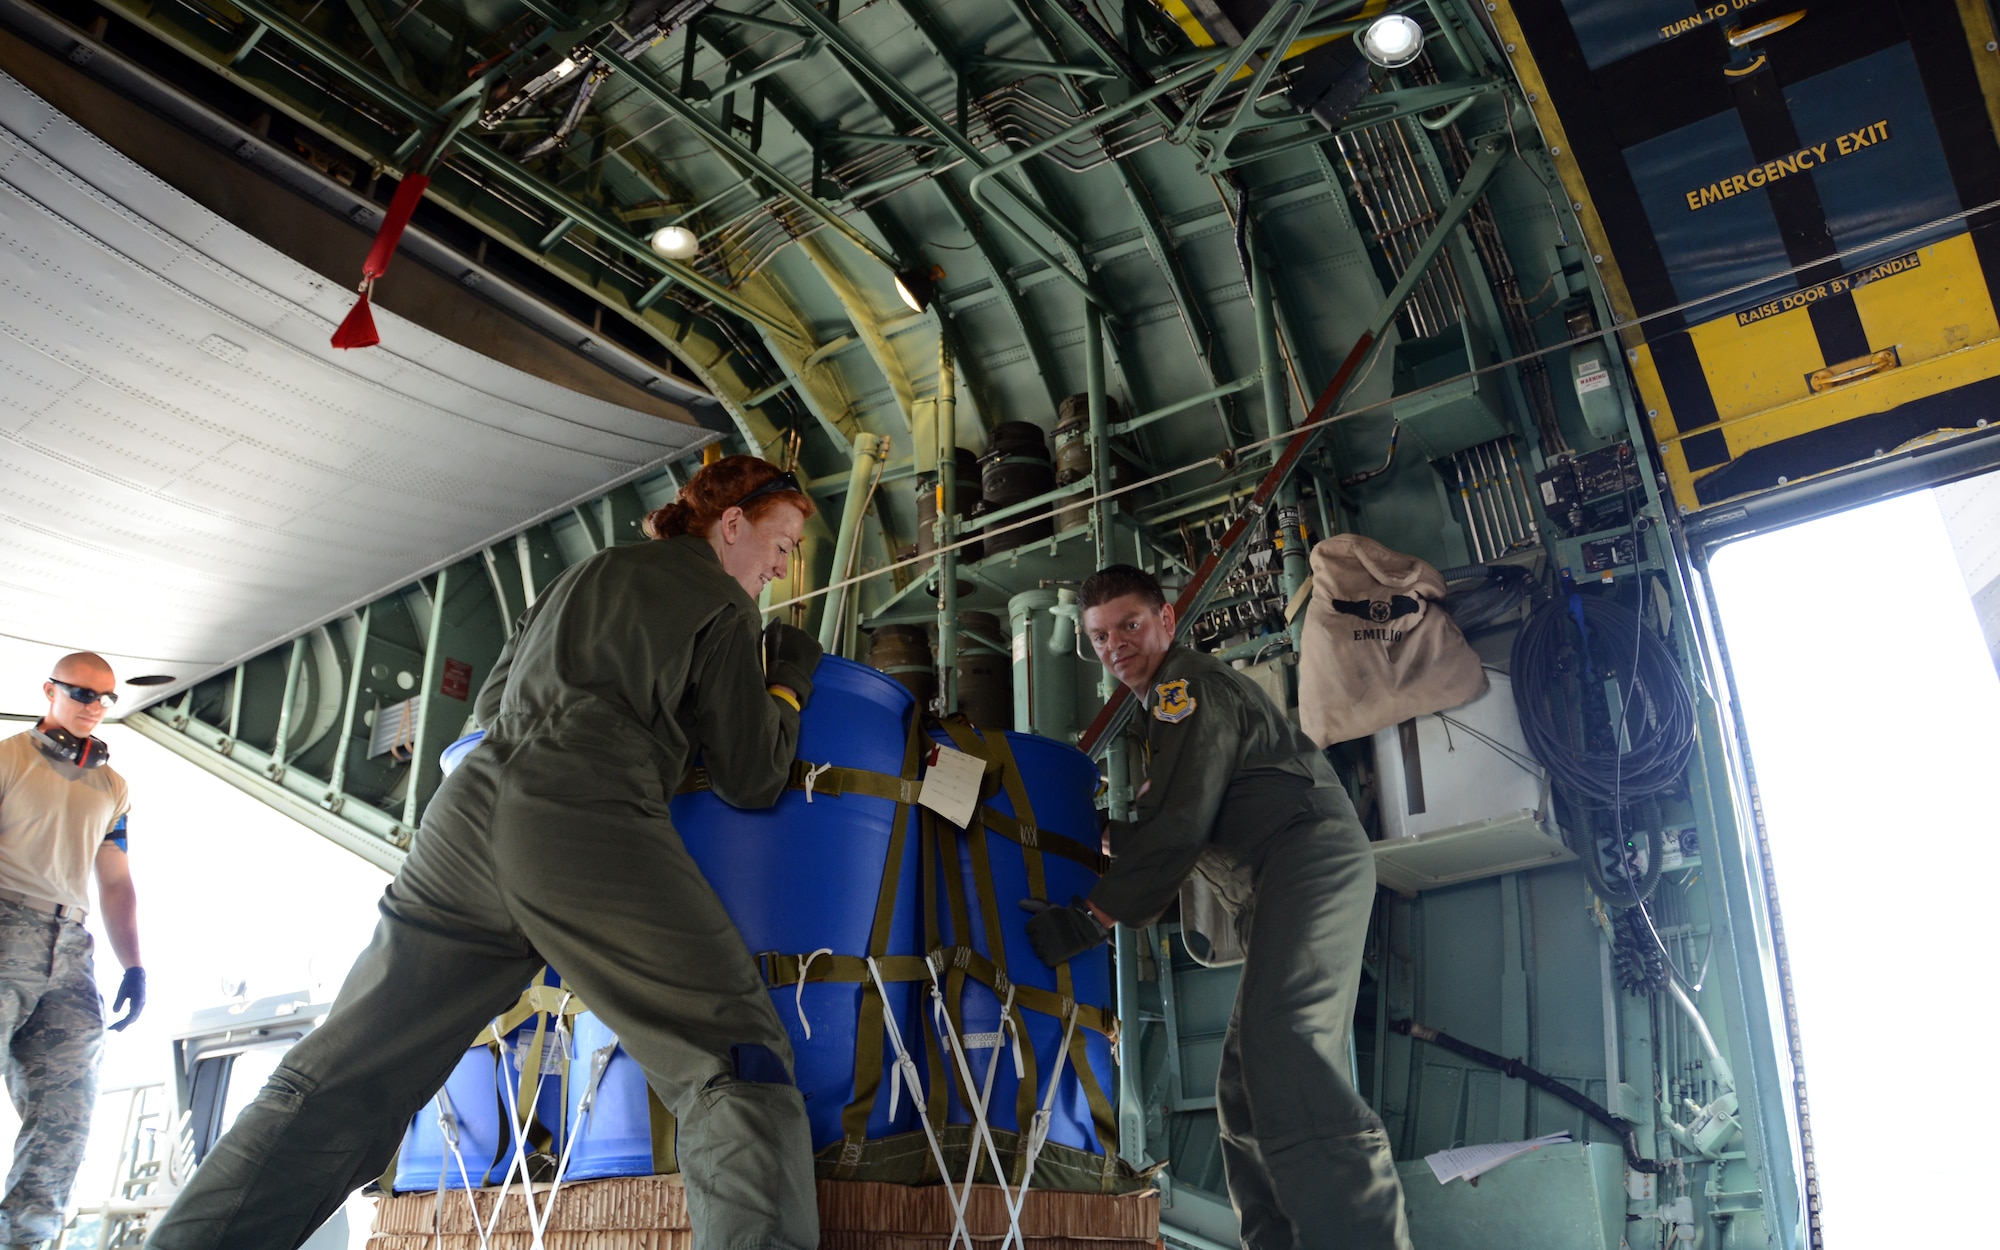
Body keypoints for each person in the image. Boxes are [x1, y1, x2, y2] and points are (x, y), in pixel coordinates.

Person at [148, 456, 827, 1250]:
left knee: (341, 1079)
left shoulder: (584, 575)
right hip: (585, 812)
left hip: (464, 817)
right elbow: (750, 775)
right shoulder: (720, 602)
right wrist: (784, 683)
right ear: (733, 523)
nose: (782, 566)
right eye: (780, 543)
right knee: (733, 1062)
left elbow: (490, 707)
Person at [1025, 565, 1410, 1250]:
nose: (1115, 645)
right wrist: (1104, 838)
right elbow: (1185, 821)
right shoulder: (1166, 710)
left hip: (1305, 856)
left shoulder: (1184, 687)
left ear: (1166, 621)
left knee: (1286, 1048)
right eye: (1099, 637)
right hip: (1277, 875)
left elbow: (1182, 823)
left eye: (1130, 626)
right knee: (1240, 1084)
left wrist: (1090, 919)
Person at [0, 652, 146, 1250]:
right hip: (5, 925)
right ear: (49, 691)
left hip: (71, 951)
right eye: (82, 694)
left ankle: (24, 1243)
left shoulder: (113, 787)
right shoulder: (7, 760)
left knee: (66, 1116)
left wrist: (135, 964)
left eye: (106, 698)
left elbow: (114, 881)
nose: (94, 708)